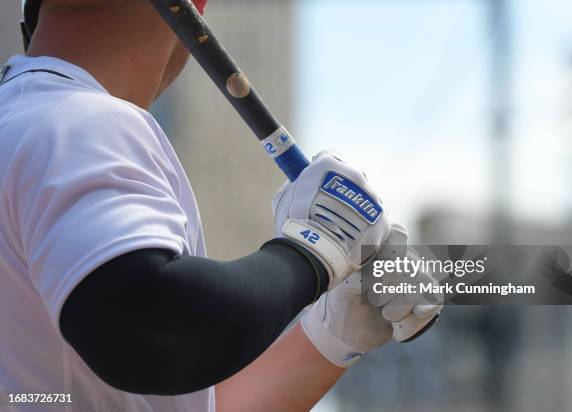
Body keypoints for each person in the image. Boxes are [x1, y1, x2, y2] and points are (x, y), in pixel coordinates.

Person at [0, 0, 442, 411]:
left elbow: (168, 383)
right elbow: (151, 335)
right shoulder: (78, 121)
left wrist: (335, 331)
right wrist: (315, 248)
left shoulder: (27, 120)